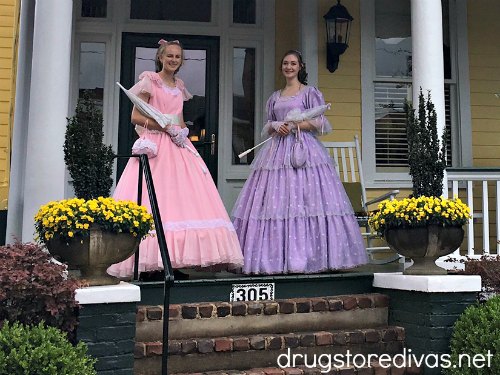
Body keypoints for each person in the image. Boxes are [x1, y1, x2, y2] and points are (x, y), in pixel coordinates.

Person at [108, 40, 243, 279]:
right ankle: (149, 265)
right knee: (156, 199)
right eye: (169, 55)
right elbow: (135, 116)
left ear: (181, 61)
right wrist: (162, 126)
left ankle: (172, 261)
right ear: (160, 57)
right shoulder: (150, 80)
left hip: (176, 146)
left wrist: (181, 132)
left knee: (180, 201)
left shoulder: (180, 85)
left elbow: (179, 118)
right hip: (156, 147)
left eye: (177, 57)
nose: (173, 60)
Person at [231, 50, 368, 274]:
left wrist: (295, 125)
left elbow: (321, 122)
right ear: (281, 67)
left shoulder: (309, 93)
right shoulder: (275, 97)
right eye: (285, 63)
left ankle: (309, 257)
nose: (289, 67)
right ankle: (275, 259)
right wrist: (277, 126)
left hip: (304, 152)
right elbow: (269, 123)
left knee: (306, 201)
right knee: (275, 203)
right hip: (276, 154)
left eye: (293, 63)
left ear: (300, 67)